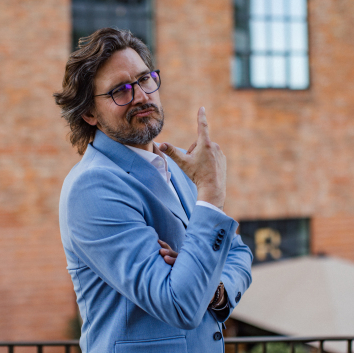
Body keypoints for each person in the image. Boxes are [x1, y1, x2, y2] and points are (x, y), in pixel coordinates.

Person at [54, 27, 253, 353]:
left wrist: (215, 291)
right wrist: (212, 194)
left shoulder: (178, 166)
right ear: (89, 113)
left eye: (145, 79)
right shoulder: (92, 187)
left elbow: (238, 253)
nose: (141, 96)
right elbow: (179, 305)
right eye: (120, 90)